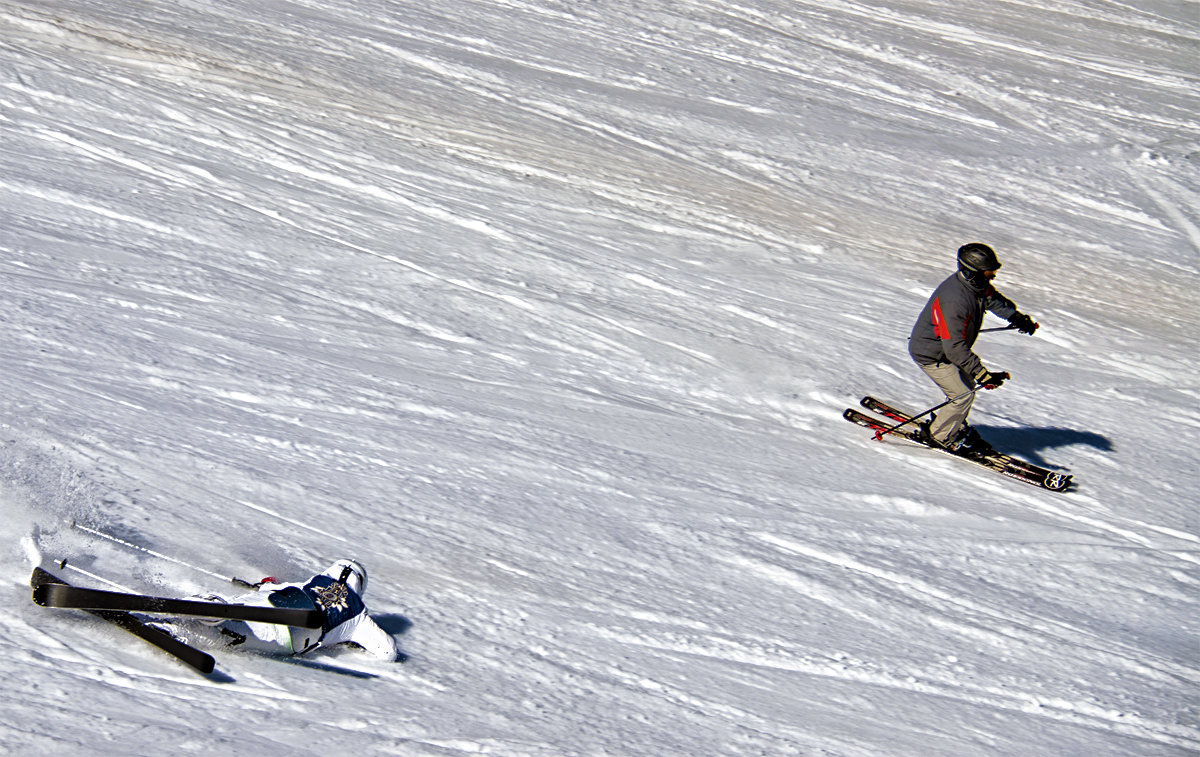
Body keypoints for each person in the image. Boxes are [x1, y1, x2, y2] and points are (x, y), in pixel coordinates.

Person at [908, 243, 1039, 455]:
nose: (993, 275)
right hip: (932, 354)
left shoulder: (974, 286)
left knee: (965, 389)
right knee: (962, 395)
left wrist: (1015, 316)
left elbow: (991, 299)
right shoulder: (955, 300)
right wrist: (981, 374)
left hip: (947, 351)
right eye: (989, 272)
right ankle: (939, 437)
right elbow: (954, 348)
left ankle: (953, 425)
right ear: (973, 272)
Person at [193, 559, 399, 661]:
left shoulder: (313, 582)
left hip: (270, 601)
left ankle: (203, 604)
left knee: (230, 607)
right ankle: (183, 633)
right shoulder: (358, 616)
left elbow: (273, 586)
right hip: (292, 634)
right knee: (232, 636)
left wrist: (263, 584)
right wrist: (352, 641)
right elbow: (387, 652)